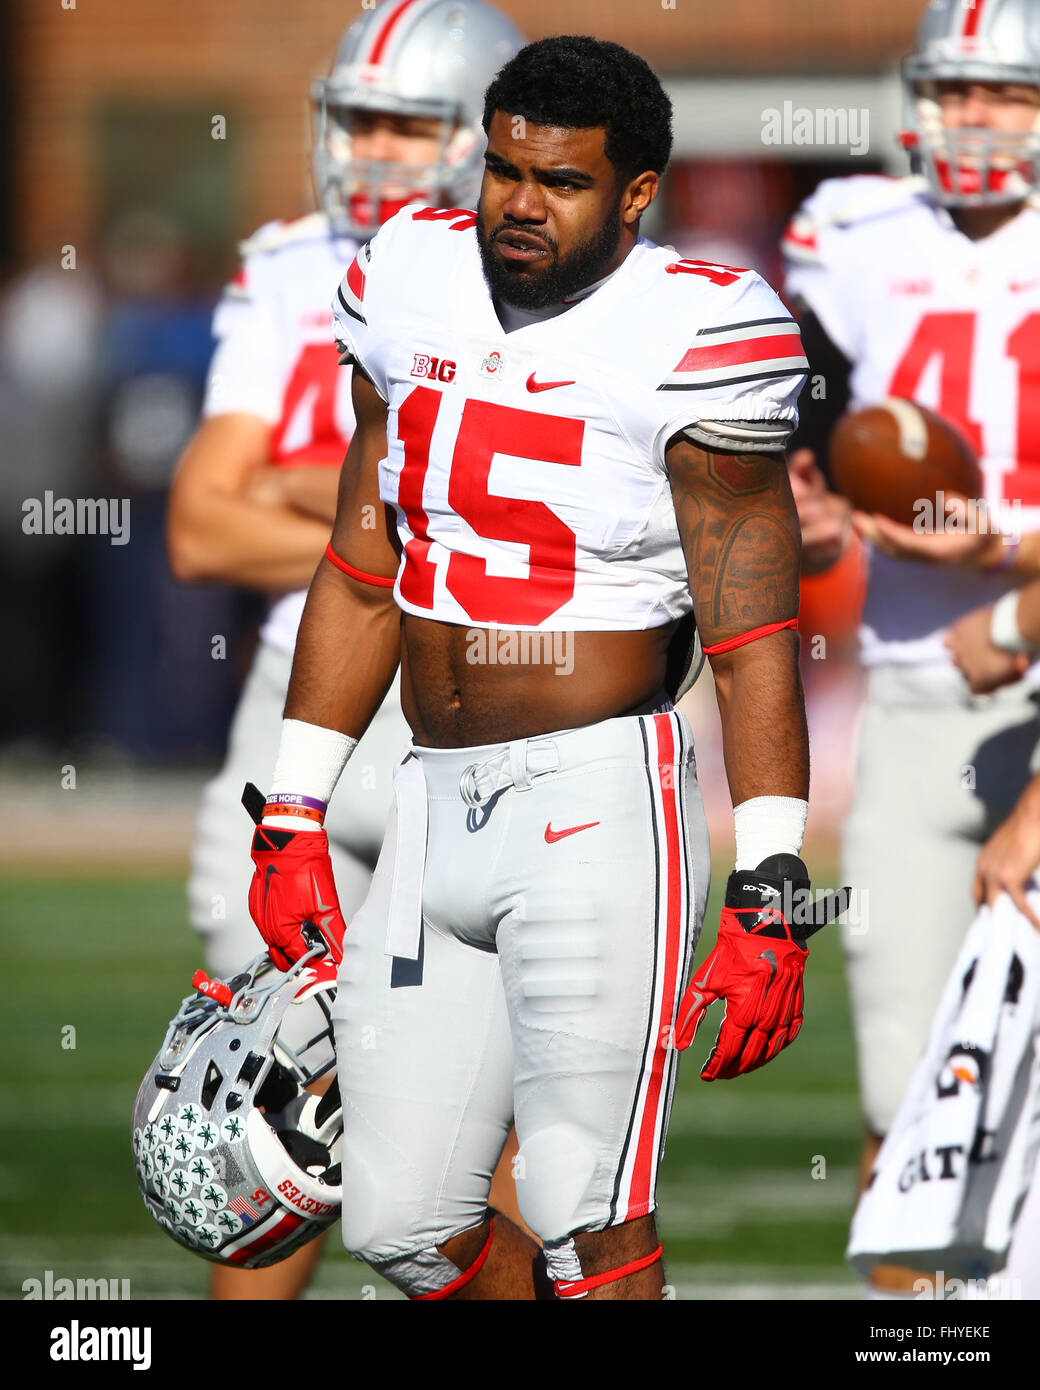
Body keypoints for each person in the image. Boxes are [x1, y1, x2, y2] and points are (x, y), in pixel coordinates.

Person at [245, 34, 835, 1302]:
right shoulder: (406, 273)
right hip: (420, 786)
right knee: (400, 1224)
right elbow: (364, 566)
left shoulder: (697, 325)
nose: (518, 203)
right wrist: (291, 805)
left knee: (584, 1208)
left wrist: (773, 879)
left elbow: (749, 634)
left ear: (633, 192)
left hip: (595, 797)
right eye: (504, 170)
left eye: (559, 181)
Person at [166, 0, 525, 1300]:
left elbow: (500, 531)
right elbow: (202, 524)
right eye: (355, 120)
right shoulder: (285, 262)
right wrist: (377, 511)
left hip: (471, 711)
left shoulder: (548, 277)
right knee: (256, 1122)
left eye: (405, 124)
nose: (368, 152)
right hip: (301, 701)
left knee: (475, 1158)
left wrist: (310, 494)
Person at [782, 0, 1040, 1296]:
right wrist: (816, 497)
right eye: (955, 92)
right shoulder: (854, 233)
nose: (974, 121)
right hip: (915, 691)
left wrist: (1002, 531)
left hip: (1036, 676)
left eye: (1007, 95)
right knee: (906, 1097)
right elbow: (806, 417)